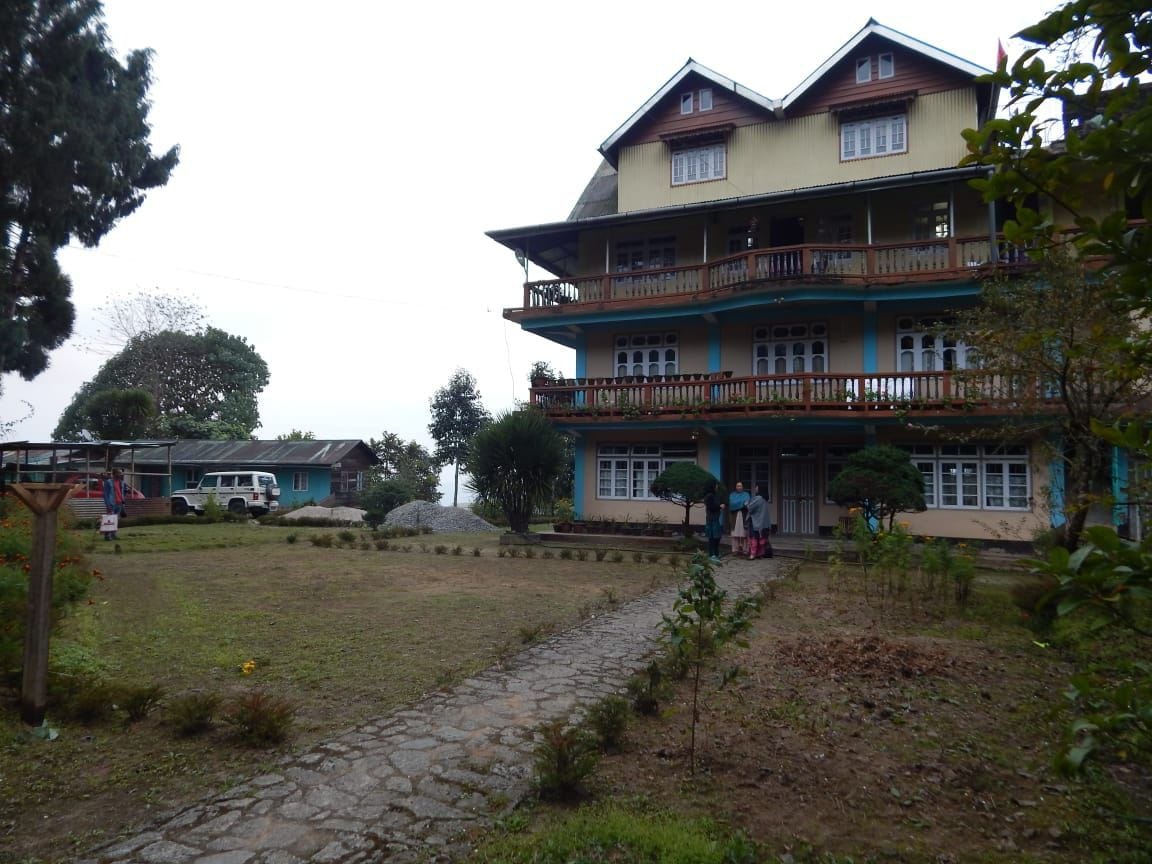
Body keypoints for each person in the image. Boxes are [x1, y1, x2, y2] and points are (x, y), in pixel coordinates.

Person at [745, 484, 773, 559]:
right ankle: (760, 554)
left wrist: (746, 503)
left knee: (753, 538)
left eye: (757, 487)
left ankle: (753, 554)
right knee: (762, 539)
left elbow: (750, 507)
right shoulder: (765, 499)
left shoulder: (758, 498)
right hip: (763, 523)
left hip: (755, 522)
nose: (755, 488)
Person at [703, 479, 725, 563]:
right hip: (711, 519)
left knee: (717, 537)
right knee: (712, 537)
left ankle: (716, 553)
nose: (717, 487)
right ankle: (711, 554)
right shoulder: (709, 496)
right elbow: (711, 507)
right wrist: (720, 506)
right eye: (715, 485)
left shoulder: (714, 495)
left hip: (715, 518)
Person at [728, 481, 750, 556]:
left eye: (740, 486)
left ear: (743, 487)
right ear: (735, 487)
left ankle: (745, 549)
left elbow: (747, 503)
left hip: (744, 514)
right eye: (738, 486)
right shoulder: (732, 495)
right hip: (735, 516)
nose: (739, 487)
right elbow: (732, 504)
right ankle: (735, 549)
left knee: (744, 533)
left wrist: (738, 504)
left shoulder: (746, 494)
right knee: (735, 533)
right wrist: (742, 503)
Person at [102, 469, 125, 540]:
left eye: (121, 473)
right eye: (119, 473)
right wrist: (108, 504)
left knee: (115, 520)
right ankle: (107, 535)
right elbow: (105, 494)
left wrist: (123, 502)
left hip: (119, 503)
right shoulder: (108, 482)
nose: (121, 474)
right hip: (112, 503)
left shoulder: (121, 482)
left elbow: (121, 492)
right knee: (109, 520)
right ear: (114, 474)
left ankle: (113, 534)